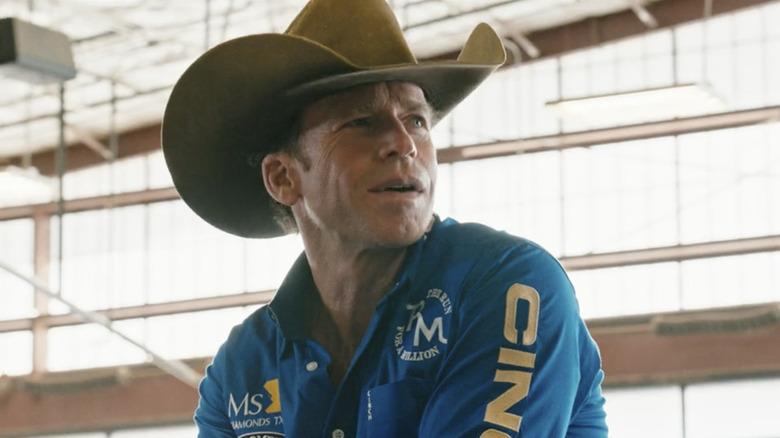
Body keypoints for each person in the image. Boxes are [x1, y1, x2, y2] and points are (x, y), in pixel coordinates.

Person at [161, 0, 608, 436]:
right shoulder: (244, 366)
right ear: (283, 177)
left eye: (416, 121)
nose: (404, 143)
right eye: (362, 122)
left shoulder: (509, 286)